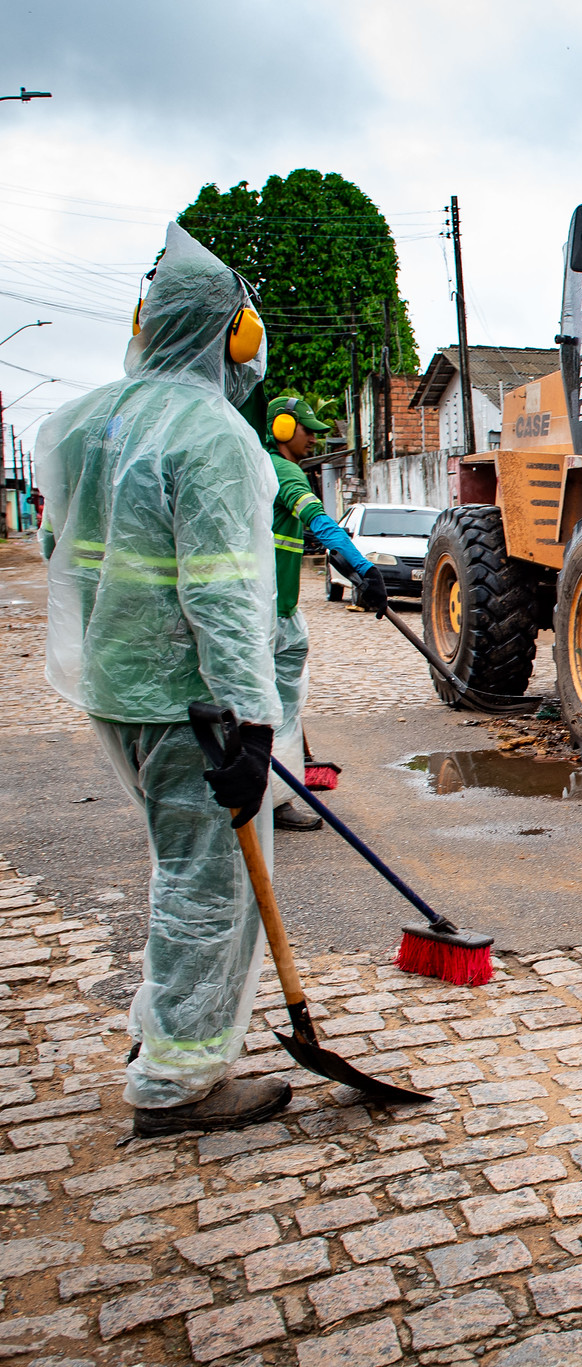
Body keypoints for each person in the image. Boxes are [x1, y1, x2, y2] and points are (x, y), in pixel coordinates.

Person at [35, 223, 290, 1136]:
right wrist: (254, 724)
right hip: (194, 701)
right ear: (235, 334)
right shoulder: (213, 436)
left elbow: (61, 552)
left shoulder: (86, 422)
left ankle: (160, 1032)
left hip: (114, 688)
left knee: (174, 866)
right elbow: (221, 597)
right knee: (207, 884)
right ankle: (178, 1081)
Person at [264, 396, 384, 831]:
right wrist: (364, 567)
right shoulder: (283, 471)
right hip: (267, 614)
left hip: (274, 610)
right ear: (280, 429)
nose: (314, 437)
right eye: (307, 430)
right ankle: (276, 802)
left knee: (281, 705)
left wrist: (339, 562)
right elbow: (319, 520)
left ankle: (279, 783)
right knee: (273, 711)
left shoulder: (259, 467)